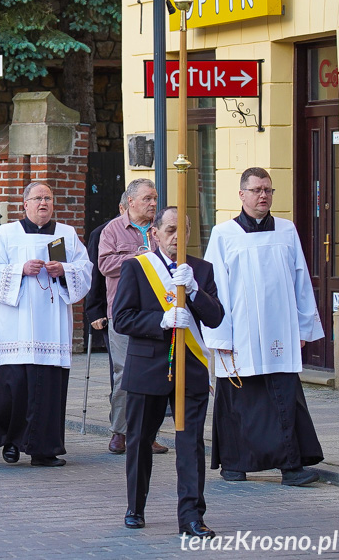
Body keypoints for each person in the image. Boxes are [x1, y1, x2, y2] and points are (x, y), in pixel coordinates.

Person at [203, 167, 325, 487]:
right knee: (238, 400)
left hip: (279, 332)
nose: (263, 196)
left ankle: (291, 466)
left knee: (284, 397)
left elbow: (301, 280)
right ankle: (234, 463)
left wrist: (302, 329)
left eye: (268, 190)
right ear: (242, 194)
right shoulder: (224, 234)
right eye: (257, 190)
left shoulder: (286, 230)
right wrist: (220, 336)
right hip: (239, 332)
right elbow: (214, 287)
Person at [113, 207, 224, 538]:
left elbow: (216, 317)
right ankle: (135, 506)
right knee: (139, 440)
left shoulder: (200, 270)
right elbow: (122, 318)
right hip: (147, 367)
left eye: (183, 230)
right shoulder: (136, 267)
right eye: (170, 230)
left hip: (190, 368)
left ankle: (191, 516)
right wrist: (160, 321)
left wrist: (193, 292)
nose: (176, 237)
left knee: (190, 444)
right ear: (156, 234)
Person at [0, 182, 92, 467]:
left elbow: (85, 269)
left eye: (48, 198)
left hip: (52, 325)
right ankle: (12, 442)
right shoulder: (7, 233)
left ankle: (45, 449)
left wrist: (63, 269)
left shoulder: (64, 235)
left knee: (49, 388)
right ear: (25, 204)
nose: (43, 203)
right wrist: (20, 269)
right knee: (15, 386)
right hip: (18, 325)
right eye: (38, 198)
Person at [98, 178, 168, 456]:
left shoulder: (159, 229)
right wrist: (139, 259)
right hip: (124, 312)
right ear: (131, 202)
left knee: (157, 373)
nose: (153, 203)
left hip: (159, 312)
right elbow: (104, 265)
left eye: (155, 198)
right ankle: (120, 432)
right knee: (126, 373)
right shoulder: (112, 230)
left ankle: (149, 434)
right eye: (148, 199)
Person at [85, 194, 128, 391]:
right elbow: (95, 273)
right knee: (119, 367)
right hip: (112, 309)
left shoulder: (155, 230)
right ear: (122, 208)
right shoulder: (104, 232)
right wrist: (94, 309)